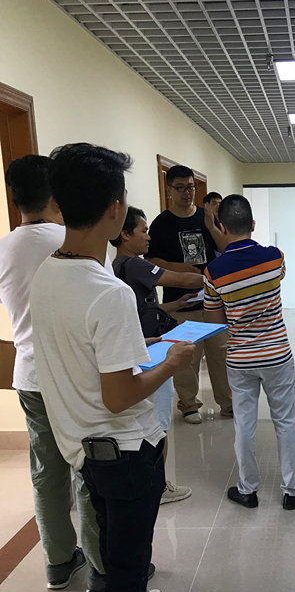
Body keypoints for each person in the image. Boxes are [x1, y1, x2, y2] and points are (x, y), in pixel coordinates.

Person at [30, 143, 194, 592]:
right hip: (125, 452)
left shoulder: (46, 276)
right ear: (115, 210)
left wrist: (143, 349)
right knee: (129, 561)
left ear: (59, 203)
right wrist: (169, 363)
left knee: (114, 541)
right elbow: (120, 395)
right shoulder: (110, 292)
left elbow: (84, 357)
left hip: (82, 447)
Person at [0, 155, 107, 592]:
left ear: (15, 198)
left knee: (46, 472)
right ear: (56, 195)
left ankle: (58, 563)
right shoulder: (73, 241)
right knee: (89, 468)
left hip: (29, 376)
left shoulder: (5, 247)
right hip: (76, 376)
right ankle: (101, 568)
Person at [203, 194, 295, 511]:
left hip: (240, 360)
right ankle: (293, 490)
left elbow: (216, 323)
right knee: (285, 423)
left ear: (222, 227)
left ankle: (247, 490)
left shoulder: (213, 272)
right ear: (252, 224)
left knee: (244, 425)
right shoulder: (274, 257)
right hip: (277, 355)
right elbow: (277, 281)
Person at [111, 205, 207, 503]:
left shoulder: (116, 266)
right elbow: (184, 280)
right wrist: (217, 277)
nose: (149, 237)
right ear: (125, 235)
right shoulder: (134, 264)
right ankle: (159, 487)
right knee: (158, 423)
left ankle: (147, 484)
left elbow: (143, 311)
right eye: (143, 231)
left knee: (146, 421)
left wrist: (177, 305)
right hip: (150, 355)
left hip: (136, 349)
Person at [147, 167, 232, 424]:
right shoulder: (161, 223)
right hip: (182, 303)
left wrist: (211, 226)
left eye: (191, 187)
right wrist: (180, 268)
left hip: (213, 302)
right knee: (187, 358)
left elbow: (226, 249)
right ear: (169, 190)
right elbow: (151, 260)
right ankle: (189, 404)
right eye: (180, 188)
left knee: (221, 354)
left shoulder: (207, 218)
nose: (187, 193)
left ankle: (228, 403)